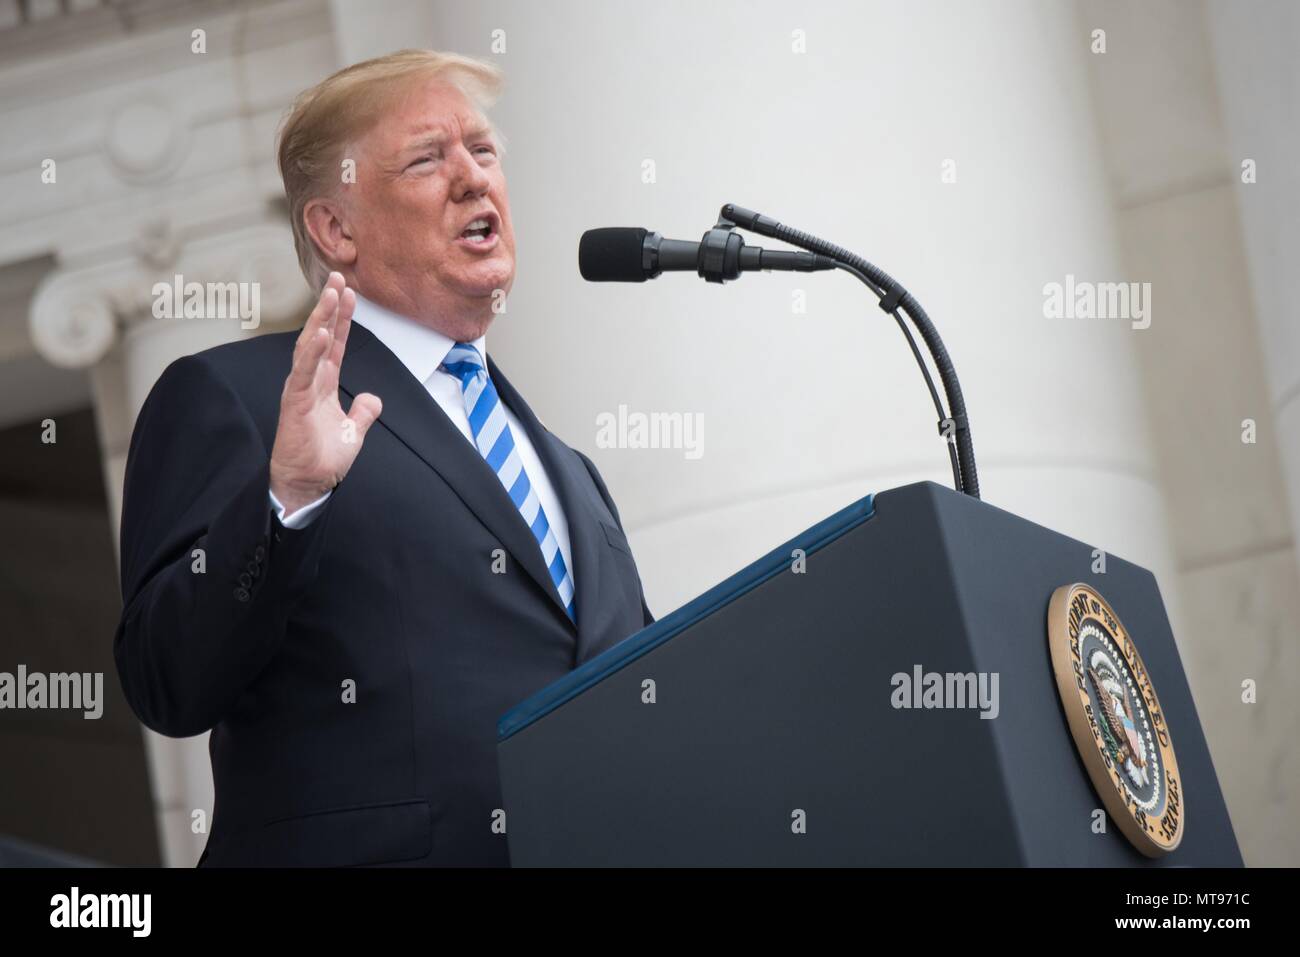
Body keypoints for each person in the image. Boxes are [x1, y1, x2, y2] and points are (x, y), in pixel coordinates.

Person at [113, 50, 653, 867]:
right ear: (336, 228)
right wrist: (286, 499)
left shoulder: (572, 474)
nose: (473, 178)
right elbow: (167, 678)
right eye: (428, 159)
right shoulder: (240, 399)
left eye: (483, 150)